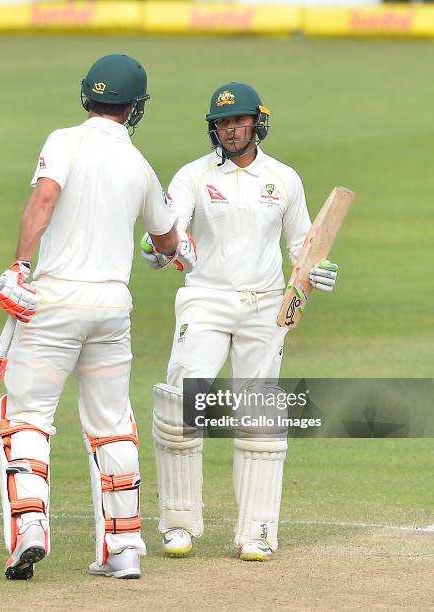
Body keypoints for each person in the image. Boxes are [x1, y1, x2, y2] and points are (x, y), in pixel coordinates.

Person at [0, 54, 197, 581]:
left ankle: (30, 529)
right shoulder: (141, 166)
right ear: (135, 108)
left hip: (55, 303)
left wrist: (19, 266)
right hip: (112, 309)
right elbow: (168, 241)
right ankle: (124, 549)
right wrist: (181, 249)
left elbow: (44, 199)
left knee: (28, 416)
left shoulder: (65, 140)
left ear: (87, 96)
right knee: (111, 427)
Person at [141, 82, 339, 561]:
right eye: (223, 123)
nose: (230, 131)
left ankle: (258, 531)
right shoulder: (192, 175)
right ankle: (179, 524)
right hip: (205, 299)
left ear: (258, 123)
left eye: (239, 121)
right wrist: (157, 252)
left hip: (266, 305)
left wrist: (316, 272)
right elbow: (169, 232)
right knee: (183, 402)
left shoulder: (284, 179)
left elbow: (301, 246)